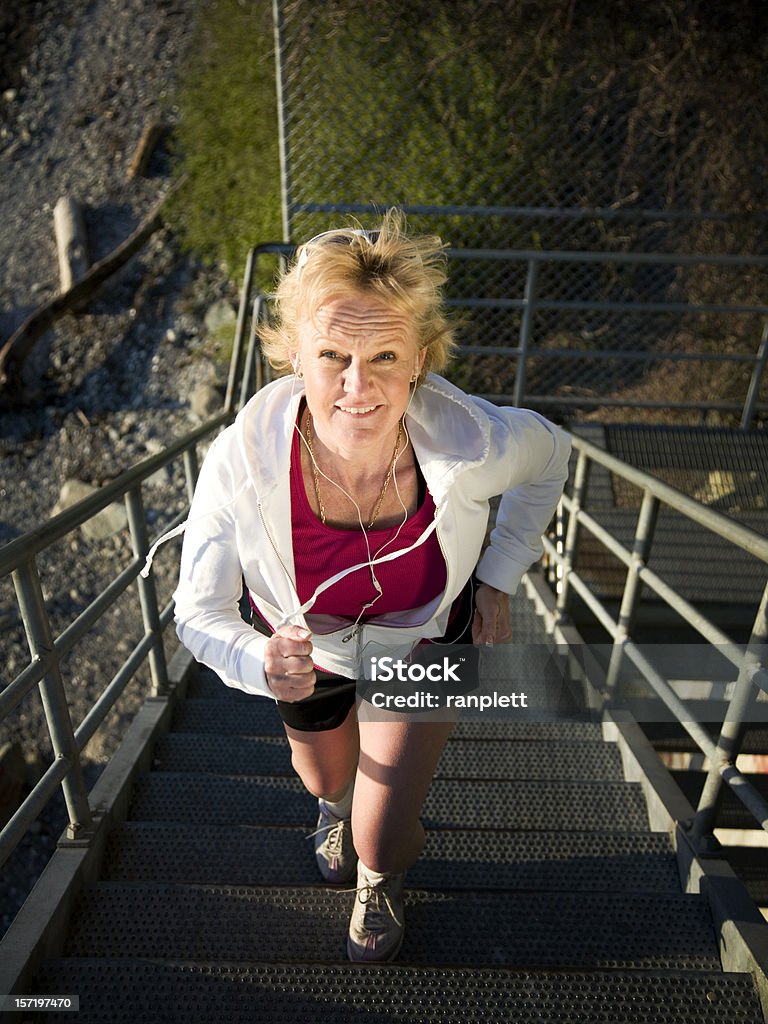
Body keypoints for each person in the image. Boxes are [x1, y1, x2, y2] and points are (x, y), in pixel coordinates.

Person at [172, 210, 571, 962]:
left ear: (419, 358)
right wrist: (256, 659)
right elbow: (196, 609)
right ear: (295, 355)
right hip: (308, 656)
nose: (359, 387)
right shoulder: (242, 462)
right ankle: (331, 808)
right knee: (324, 778)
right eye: (332, 355)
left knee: (380, 832)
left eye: (384, 354)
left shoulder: (473, 444)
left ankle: (378, 878)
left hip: (421, 643)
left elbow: (553, 457)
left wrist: (497, 574)